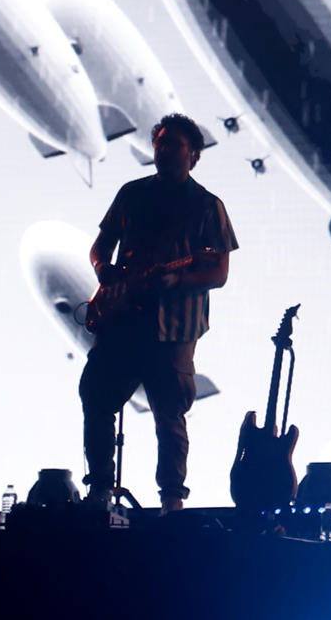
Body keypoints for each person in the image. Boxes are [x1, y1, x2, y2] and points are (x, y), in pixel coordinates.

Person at [81, 115, 237, 513]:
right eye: (160, 144)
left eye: (174, 145)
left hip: (172, 330)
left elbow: (218, 272)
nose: (163, 151)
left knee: (169, 412)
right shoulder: (131, 194)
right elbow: (100, 247)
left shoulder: (207, 206)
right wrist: (105, 273)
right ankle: (99, 489)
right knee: (95, 396)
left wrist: (177, 281)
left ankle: (171, 502)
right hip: (121, 320)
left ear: (194, 155)